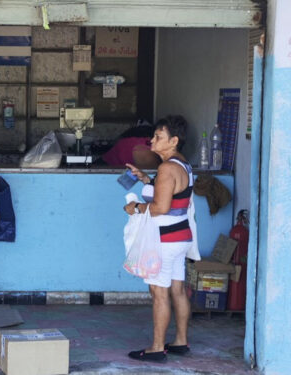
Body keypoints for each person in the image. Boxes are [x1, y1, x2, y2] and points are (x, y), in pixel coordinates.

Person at [123, 115, 195, 363]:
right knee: (177, 289)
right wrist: (145, 179)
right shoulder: (182, 165)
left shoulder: (166, 168)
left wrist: (135, 208)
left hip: (164, 239)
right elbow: (173, 193)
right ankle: (180, 341)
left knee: (158, 292)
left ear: (173, 140)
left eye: (158, 137)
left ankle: (156, 348)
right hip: (181, 236)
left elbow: (160, 207)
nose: (152, 140)